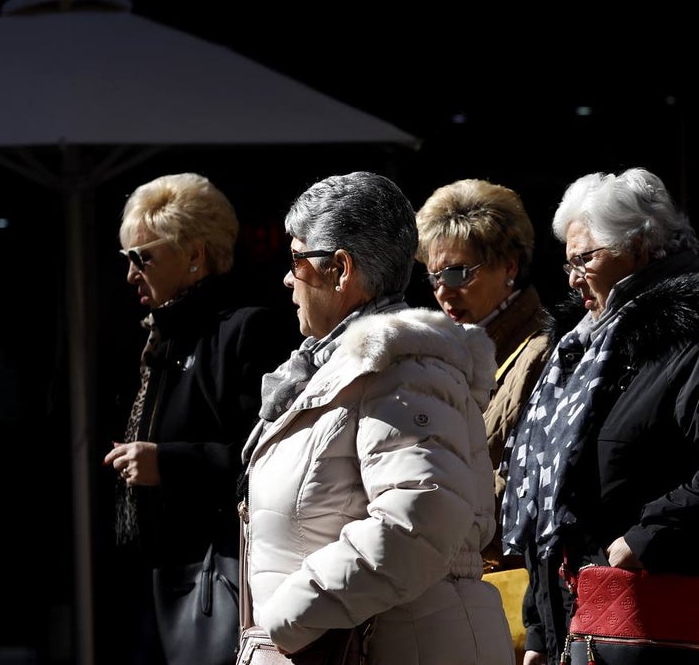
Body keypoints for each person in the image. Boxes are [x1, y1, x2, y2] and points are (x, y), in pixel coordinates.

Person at [499, 167, 699, 665]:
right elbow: (555, 508)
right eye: (568, 263)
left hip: (674, 625)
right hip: (589, 627)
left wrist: (646, 538)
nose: (574, 278)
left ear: (638, 249)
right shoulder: (583, 352)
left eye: (586, 259)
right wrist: (540, 629)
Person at [239, 171, 515, 664]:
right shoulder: (340, 368)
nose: (287, 278)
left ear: (340, 269)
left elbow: (422, 515)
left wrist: (287, 619)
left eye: (296, 259)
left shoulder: (402, 368)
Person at [102, 173, 296, 665]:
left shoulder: (243, 332)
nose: (130, 275)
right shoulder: (157, 339)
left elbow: (270, 464)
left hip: (212, 578)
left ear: (195, 255)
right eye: (127, 258)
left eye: (142, 257)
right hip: (157, 579)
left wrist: (168, 464)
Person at [414, 178, 552, 661]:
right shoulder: (454, 351)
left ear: (509, 266)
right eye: (434, 278)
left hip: (507, 589)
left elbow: (528, 482)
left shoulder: (542, 352)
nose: (442, 292)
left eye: (457, 274)